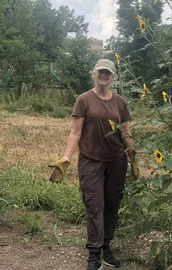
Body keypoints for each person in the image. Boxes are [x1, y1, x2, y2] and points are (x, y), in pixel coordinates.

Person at [48, 59, 139, 270]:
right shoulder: (84, 100)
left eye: (108, 73)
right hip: (91, 161)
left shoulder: (120, 102)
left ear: (113, 77)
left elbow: (126, 133)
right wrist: (66, 158)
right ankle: (94, 253)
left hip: (117, 161)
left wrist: (133, 161)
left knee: (112, 205)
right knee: (94, 204)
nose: (103, 76)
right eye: (100, 72)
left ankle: (106, 246)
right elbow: (75, 132)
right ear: (94, 73)